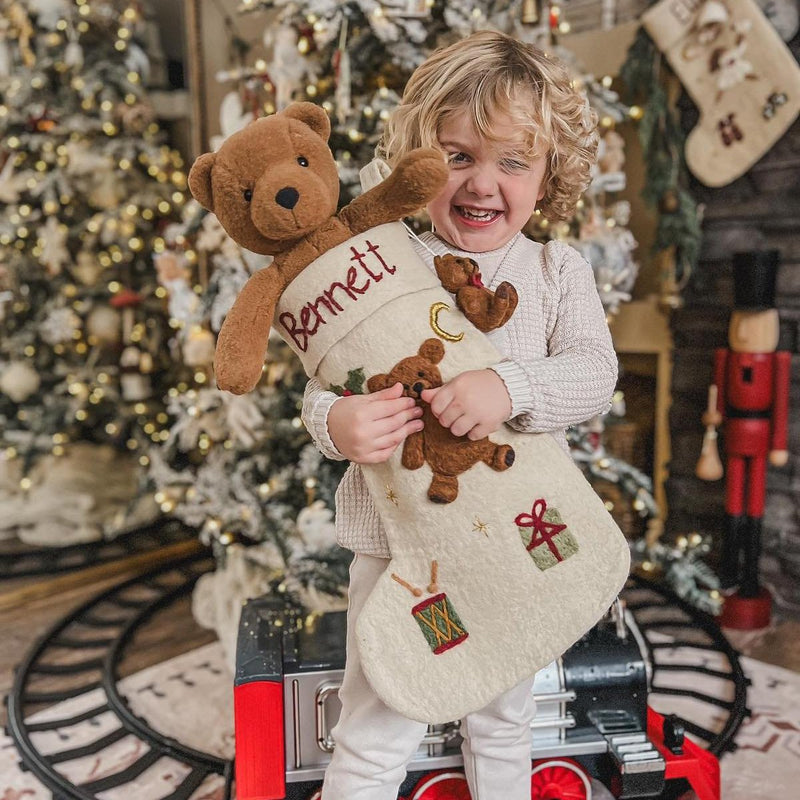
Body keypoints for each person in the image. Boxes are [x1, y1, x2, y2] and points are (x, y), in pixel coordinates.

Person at [301, 30, 618, 800]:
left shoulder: (554, 271)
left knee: (505, 717)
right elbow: (321, 382)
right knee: (376, 725)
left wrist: (507, 387)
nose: (483, 183)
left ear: (546, 179)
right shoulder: (380, 265)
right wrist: (337, 424)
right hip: (404, 553)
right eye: (458, 156)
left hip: (513, 542)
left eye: (513, 161)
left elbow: (593, 373)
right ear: (417, 161)